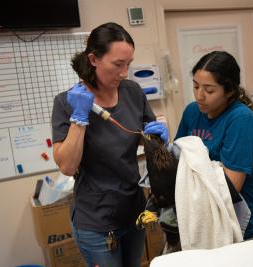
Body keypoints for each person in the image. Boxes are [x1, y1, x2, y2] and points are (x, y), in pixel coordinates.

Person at [51, 22, 168, 267]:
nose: (125, 72)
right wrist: (79, 119)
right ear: (93, 59)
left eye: (128, 64)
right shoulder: (66, 103)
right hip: (97, 221)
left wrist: (159, 136)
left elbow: (147, 139)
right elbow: (67, 166)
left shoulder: (133, 92)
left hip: (134, 211)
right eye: (117, 64)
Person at [174, 51, 253, 240]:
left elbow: (228, 187)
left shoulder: (241, 121)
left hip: (236, 229)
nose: (199, 96)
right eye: (195, 87)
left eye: (209, 90)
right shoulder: (192, 112)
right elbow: (178, 162)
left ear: (229, 91)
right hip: (200, 225)